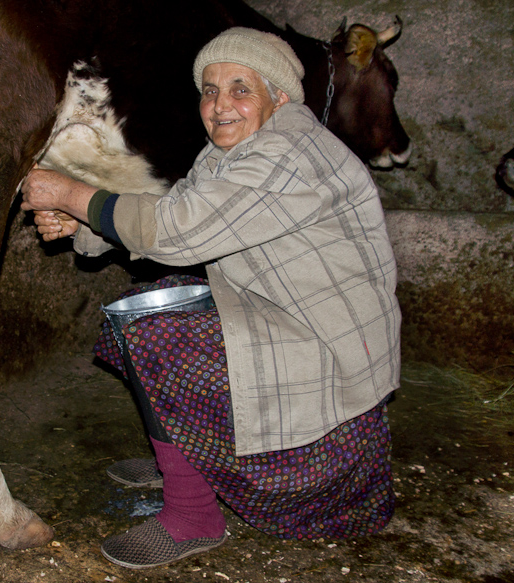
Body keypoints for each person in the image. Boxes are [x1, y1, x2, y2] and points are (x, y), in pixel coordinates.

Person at [21, 27, 401, 569]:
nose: (219, 105)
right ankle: (187, 450)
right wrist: (83, 226)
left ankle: (194, 516)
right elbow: (185, 210)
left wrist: (71, 194)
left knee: (157, 330)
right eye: (210, 89)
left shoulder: (286, 153)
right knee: (156, 304)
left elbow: (177, 230)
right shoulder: (243, 149)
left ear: (281, 97)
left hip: (331, 364)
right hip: (292, 323)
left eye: (240, 88)